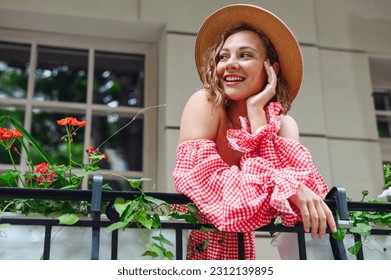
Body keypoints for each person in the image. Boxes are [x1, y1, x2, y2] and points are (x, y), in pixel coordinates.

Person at [172, 4, 337, 260]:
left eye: (245, 55)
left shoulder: (284, 125)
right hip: (193, 244)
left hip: (241, 253)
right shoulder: (205, 102)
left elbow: (286, 202)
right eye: (223, 57)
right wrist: (287, 187)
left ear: (271, 68)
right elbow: (201, 183)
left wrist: (255, 110)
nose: (230, 65)